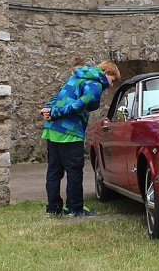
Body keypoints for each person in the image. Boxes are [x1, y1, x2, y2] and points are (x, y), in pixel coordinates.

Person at [40, 59, 120, 216]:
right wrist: (54, 113)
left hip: (52, 130)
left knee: (54, 172)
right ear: (106, 73)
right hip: (70, 133)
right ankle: (75, 208)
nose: (111, 85)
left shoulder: (76, 77)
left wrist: (47, 109)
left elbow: (58, 95)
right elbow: (80, 105)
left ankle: (53, 208)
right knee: (74, 172)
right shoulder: (95, 84)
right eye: (112, 80)